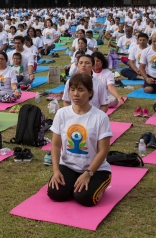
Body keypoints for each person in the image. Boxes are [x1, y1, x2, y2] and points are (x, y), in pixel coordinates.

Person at [47, 73, 112, 207]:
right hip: (69, 165)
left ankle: (100, 184)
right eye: (72, 89)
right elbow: (55, 145)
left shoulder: (100, 117)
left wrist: (88, 174)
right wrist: (56, 171)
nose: (75, 94)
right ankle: (74, 183)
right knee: (55, 194)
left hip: (95, 169)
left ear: (90, 93)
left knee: (85, 198)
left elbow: (103, 151)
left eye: (80, 90)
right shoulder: (62, 113)